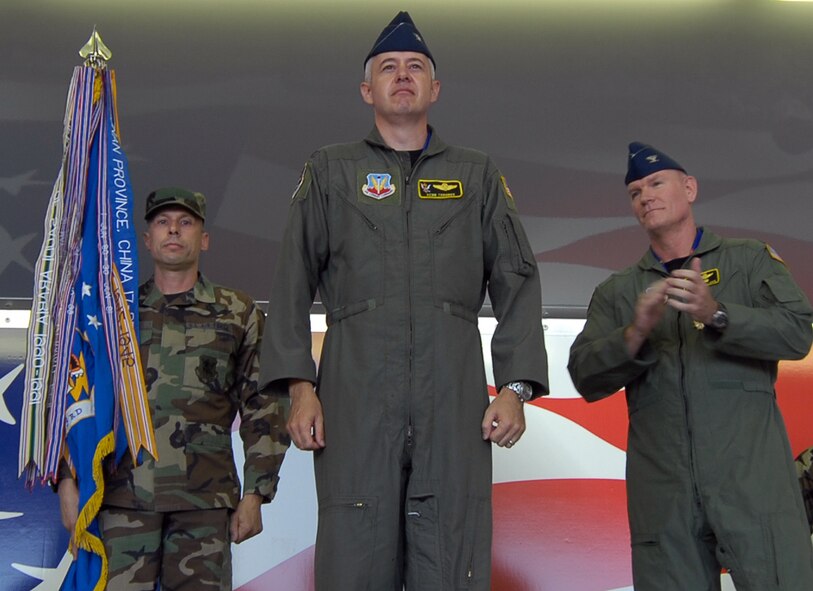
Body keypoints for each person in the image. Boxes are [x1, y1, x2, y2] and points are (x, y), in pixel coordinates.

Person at [259, 11, 548, 591]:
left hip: (453, 399)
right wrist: (300, 387)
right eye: (388, 68)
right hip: (356, 395)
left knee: (452, 550)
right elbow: (290, 282)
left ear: (435, 89)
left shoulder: (476, 175)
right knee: (354, 554)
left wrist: (515, 389)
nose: (403, 75)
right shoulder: (332, 171)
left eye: (416, 67)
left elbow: (517, 280)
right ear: (368, 90)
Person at [568, 142, 813, 590]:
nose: (646, 197)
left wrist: (717, 313)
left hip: (752, 484)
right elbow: (584, 375)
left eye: (657, 183)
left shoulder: (749, 260)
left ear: (690, 188)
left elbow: (798, 332)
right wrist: (634, 333)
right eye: (635, 192)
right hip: (665, 494)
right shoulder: (618, 292)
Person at [58, 187, 289, 590]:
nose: (173, 231)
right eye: (162, 222)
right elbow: (76, 396)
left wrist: (256, 495)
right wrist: (66, 481)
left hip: (204, 504)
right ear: (146, 240)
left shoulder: (238, 311)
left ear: (204, 239)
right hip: (121, 499)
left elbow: (264, 406)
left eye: (186, 223)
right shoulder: (114, 315)